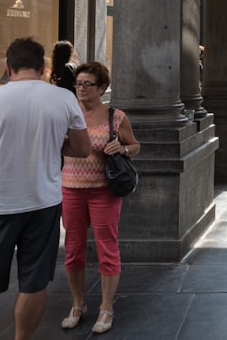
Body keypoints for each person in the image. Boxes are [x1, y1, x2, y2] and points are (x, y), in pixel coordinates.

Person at [0, 37, 90, 340]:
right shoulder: (64, 98)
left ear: (8, 67)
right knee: (34, 283)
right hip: (44, 202)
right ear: (44, 67)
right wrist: (53, 142)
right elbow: (82, 149)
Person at [60, 62, 139, 335]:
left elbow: (135, 145)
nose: (81, 88)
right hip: (70, 188)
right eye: (78, 84)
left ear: (102, 88)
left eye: (87, 84)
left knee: (107, 247)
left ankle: (106, 308)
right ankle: (77, 304)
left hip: (104, 190)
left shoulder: (114, 116)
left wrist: (123, 148)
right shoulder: (66, 114)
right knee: (72, 250)